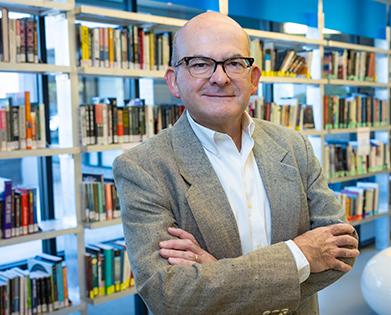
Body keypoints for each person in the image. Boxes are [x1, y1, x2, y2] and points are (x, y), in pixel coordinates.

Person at [112, 11, 359, 315]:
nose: (220, 77)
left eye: (234, 63)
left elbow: (343, 250)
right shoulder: (142, 168)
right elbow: (169, 294)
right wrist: (301, 255)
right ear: (174, 81)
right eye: (200, 64)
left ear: (253, 79)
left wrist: (217, 277)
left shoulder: (294, 146)